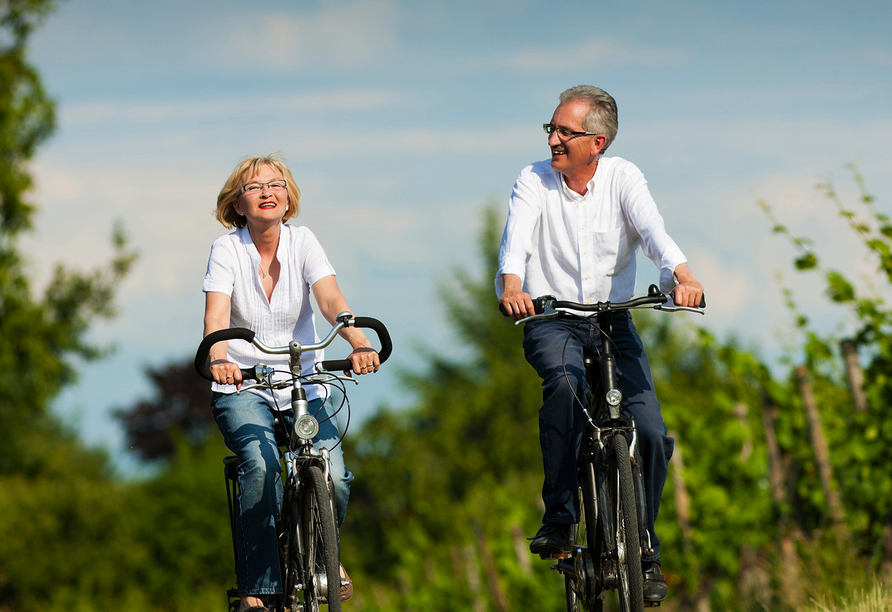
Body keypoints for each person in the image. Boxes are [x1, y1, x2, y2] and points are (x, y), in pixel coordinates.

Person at [496, 85, 704, 603]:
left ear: (598, 141)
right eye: (551, 128)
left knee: (651, 432)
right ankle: (562, 518)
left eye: (566, 131)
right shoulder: (533, 180)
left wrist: (681, 274)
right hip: (553, 320)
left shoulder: (623, 178)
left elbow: (653, 230)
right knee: (564, 390)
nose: (554, 140)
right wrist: (513, 287)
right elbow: (515, 242)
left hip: (614, 322)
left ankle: (644, 548)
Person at [203, 152, 380, 612]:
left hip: (305, 382)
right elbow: (217, 319)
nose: (267, 191)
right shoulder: (226, 250)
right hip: (245, 384)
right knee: (261, 468)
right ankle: (259, 589)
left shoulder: (304, 242)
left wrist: (359, 342)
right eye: (254, 186)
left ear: (288, 198)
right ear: (238, 204)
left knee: (334, 475)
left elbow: (331, 300)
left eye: (276, 184)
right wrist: (219, 357)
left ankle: (326, 557)